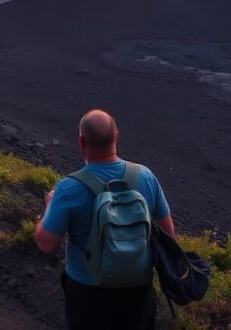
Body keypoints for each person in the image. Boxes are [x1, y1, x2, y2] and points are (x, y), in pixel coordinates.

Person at [35, 110, 174, 330]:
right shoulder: (146, 176)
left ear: (82, 142)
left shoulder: (69, 188)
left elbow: (46, 244)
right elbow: (168, 234)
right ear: (116, 137)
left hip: (88, 294)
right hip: (137, 292)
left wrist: (50, 204)